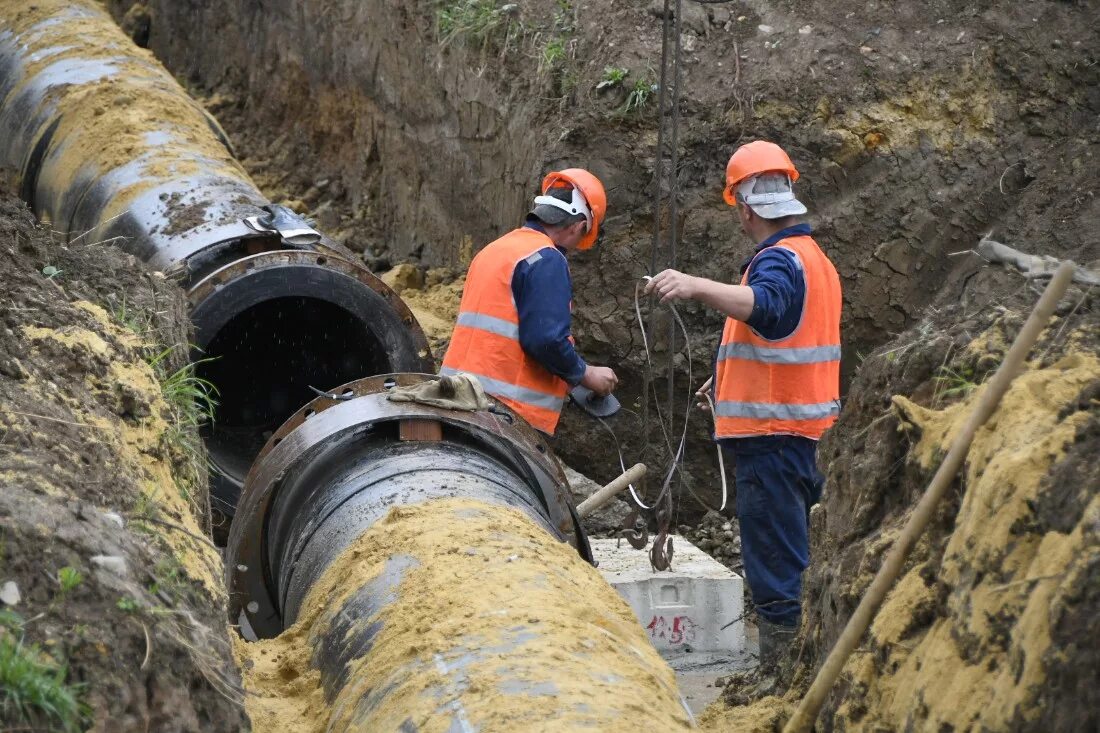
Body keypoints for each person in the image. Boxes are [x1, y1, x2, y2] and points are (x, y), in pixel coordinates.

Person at [644, 141, 842, 667]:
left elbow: (768, 307)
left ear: (745, 207)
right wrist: (725, 379)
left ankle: (784, 672)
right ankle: (817, 659)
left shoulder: (777, 260)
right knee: (806, 555)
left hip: (775, 440)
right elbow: (784, 340)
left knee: (777, 562)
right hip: (810, 431)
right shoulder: (815, 260)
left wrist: (693, 286)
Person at [441, 169, 619, 435]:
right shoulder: (546, 258)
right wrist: (586, 373)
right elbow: (545, 339)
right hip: (503, 411)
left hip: (455, 397)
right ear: (579, 225)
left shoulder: (495, 250)